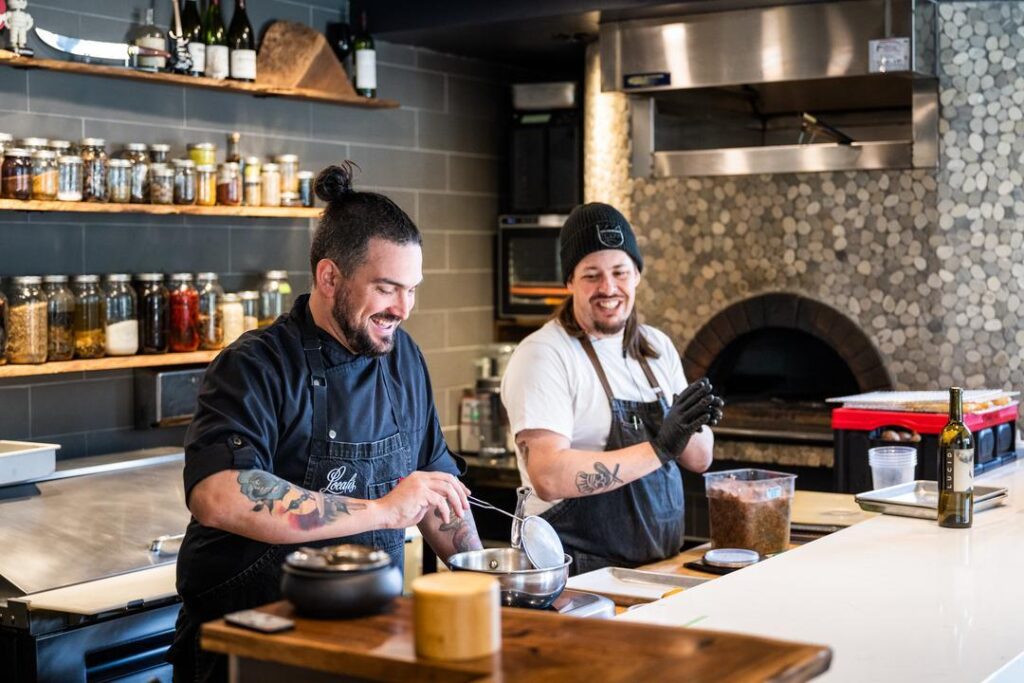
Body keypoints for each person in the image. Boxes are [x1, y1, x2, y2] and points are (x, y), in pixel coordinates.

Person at [169, 162, 483, 682]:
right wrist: (381, 510)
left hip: (364, 643)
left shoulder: (402, 357)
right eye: (387, 288)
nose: (403, 308)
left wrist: (487, 581)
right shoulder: (255, 365)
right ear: (329, 276)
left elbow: (437, 492)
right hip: (251, 649)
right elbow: (221, 495)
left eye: (412, 289)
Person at [501, 202, 723, 575]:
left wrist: (690, 424)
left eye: (620, 272)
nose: (608, 288)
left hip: (658, 566)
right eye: (591, 275)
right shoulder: (545, 355)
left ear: (637, 275)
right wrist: (659, 447)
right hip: (575, 573)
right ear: (569, 281)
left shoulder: (655, 348)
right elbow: (549, 476)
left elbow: (699, 460)